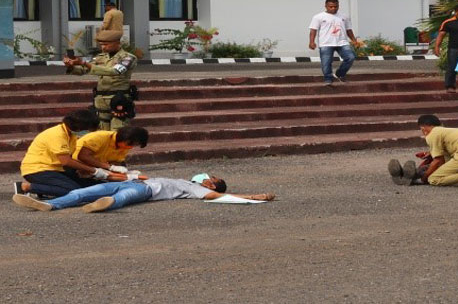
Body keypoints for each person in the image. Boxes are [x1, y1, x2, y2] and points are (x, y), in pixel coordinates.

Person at [12, 173, 276, 213]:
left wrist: (254, 197)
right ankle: (51, 205)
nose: (207, 177)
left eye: (212, 178)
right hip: (134, 182)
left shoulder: (195, 188)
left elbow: (219, 198)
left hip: (146, 192)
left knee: (123, 199)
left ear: (211, 185)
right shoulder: (183, 179)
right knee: (86, 190)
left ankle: (105, 204)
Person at [15, 110, 123, 198]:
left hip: (56, 169)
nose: (87, 132)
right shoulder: (57, 135)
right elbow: (65, 160)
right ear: (79, 126)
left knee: (89, 184)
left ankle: (46, 189)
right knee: (73, 190)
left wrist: (84, 171)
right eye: (87, 129)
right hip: (38, 170)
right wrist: (93, 170)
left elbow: (69, 159)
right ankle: (25, 187)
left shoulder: (71, 135)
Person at [388, 114, 458, 187]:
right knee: (443, 167)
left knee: (434, 179)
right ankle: (415, 174)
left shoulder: (433, 134)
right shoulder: (446, 131)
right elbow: (444, 159)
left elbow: (438, 161)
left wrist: (425, 177)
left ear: (423, 128)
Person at [63, 29, 137, 130]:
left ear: (117, 43)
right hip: (101, 101)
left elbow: (114, 71)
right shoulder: (100, 57)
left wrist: (84, 63)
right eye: (101, 44)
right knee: (101, 133)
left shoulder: (128, 58)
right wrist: (71, 66)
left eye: (106, 44)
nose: (103, 47)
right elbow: (82, 70)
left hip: (118, 99)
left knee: (118, 132)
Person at [308, 0, 357, 86]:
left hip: (342, 42)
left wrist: (354, 40)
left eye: (336, 6)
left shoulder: (344, 16)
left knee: (350, 57)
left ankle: (339, 74)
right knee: (326, 62)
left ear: (338, 6)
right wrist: (312, 42)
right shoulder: (318, 17)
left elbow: (348, 29)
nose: (333, 8)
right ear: (326, 6)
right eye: (331, 6)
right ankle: (328, 79)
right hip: (326, 43)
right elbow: (313, 30)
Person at [73, 127, 149, 172]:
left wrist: (122, 171)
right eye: (129, 144)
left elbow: (117, 161)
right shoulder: (99, 137)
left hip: (95, 168)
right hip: (75, 165)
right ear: (122, 138)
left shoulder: (124, 145)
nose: (130, 147)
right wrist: (109, 167)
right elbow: (83, 156)